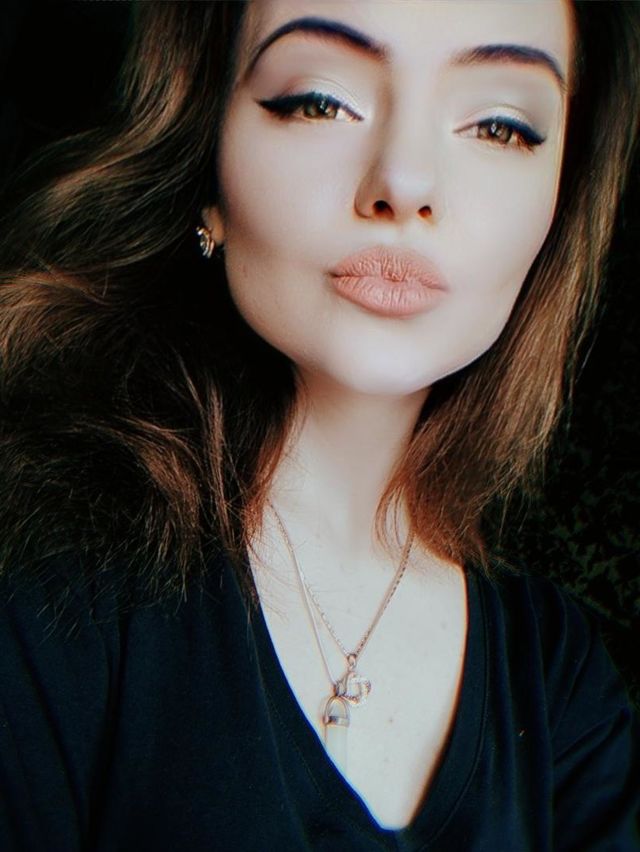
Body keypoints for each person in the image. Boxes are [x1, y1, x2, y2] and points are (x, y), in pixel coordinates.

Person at [0, 1, 638, 849]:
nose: (405, 183)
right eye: (319, 101)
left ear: (560, 204)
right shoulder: (42, 577)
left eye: (499, 125)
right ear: (204, 157)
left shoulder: (561, 683)